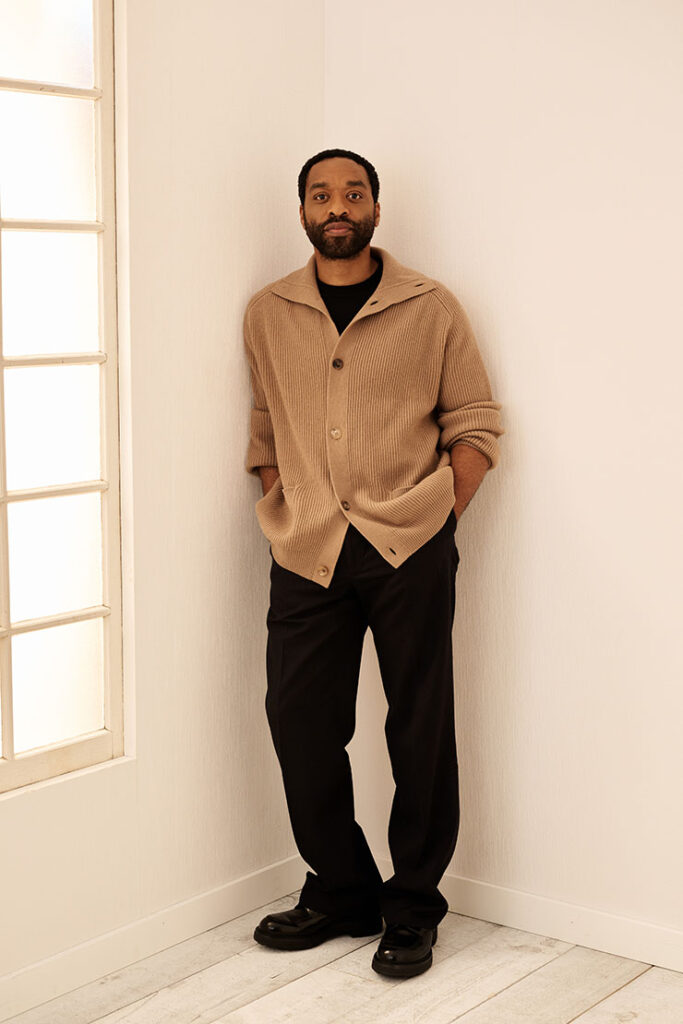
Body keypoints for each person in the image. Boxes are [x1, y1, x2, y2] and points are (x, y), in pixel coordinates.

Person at [243, 147, 504, 978]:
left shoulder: (431, 307)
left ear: (376, 210)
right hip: (307, 547)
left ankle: (413, 908)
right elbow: (264, 423)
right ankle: (342, 890)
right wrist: (280, 491)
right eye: (321, 194)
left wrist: (438, 513)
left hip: (408, 546)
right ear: (302, 213)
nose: (337, 205)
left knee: (418, 727)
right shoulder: (267, 311)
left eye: (352, 192)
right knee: (298, 719)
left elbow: (474, 419)